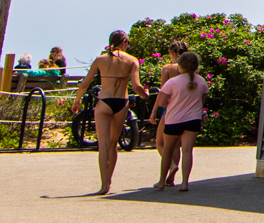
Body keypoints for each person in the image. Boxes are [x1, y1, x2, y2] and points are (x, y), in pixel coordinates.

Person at [76, 32, 147, 195]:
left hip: (105, 101)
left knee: (104, 145)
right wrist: (145, 95)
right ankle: (109, 180)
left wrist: (77, 101)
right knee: (113, 143)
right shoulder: (132, 60)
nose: (128, 45)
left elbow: (85, 84)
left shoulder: (100, 59)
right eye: (127, 42)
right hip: (121, 102)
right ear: (123, 42)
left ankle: (104, 185)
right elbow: (136, 86)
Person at [149, 51, 210, 192]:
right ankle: (185, 183)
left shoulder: (172, 82)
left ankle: (162, 182)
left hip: (174, 120)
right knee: (187, 151)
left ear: (180, 66)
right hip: (193, 120)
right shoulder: (201, 82)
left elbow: (162, 102)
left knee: (168, 150)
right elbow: (202, 102)